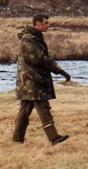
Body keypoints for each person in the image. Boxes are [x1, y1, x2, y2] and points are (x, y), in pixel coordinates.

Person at [12, 13, 72, 145]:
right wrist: (57, 69)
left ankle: (17, 138)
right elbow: (38, 58)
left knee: (25, 110)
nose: (48, 25)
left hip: (31, 81)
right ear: (37, 24)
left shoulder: (35, 38)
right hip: (33, 81)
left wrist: (57, 70)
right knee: (43, 108)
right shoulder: (29, 39)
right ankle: (54, 138)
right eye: (45, 23)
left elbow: (41, 58)